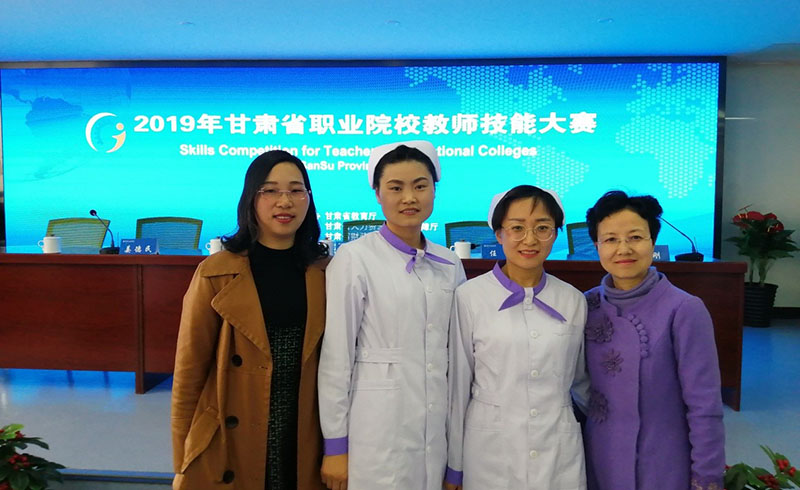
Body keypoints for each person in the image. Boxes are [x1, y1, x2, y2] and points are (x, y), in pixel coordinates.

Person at [170, 150, 329, 490]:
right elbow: (188, 376)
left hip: (304, 432)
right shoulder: (215, 273)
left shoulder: (327, 272)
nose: (285, 201)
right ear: (250, 199)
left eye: (296, 190)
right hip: (234, 436)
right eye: (270, 190)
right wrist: (183, 460)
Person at [318, 140, 466, 490]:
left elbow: (457, 361)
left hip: (435, 430)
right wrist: (335, 446)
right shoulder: (355, 258)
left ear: (434, 190)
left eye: (420, 186)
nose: (409, 198)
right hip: (375, 431)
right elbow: (337, 357)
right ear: (378, 194)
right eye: (396, 188)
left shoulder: (450, 263)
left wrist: (456, 458)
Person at [445, 185, 589, 490]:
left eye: (542, 228)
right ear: (499, 234)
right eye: (517, 228)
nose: (530, 239)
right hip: (489, 452)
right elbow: (458, 386)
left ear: (556, 234)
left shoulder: (573, 300)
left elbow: (581, 382)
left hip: (558, 450)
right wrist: (454, 467)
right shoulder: (469, 297)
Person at [582, 190, 725, 490]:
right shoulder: (585, 306)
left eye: (635, 237)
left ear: (652, 241)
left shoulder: (684, 309)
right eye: (610, 239)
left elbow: (705, 405)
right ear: (597, 246)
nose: (623, 248)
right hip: (598, 456)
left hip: (661, 461)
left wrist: (707, 477)